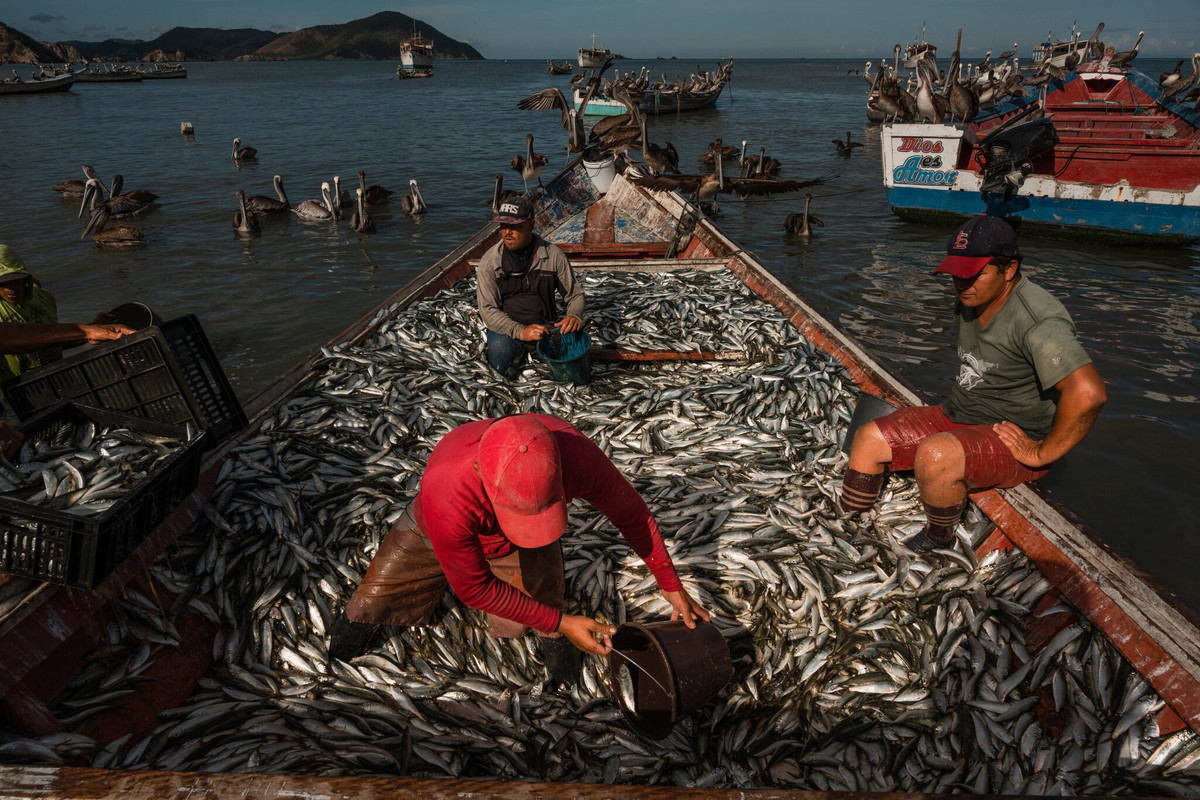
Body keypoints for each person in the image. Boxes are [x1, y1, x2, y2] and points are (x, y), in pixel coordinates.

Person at [331, 413, 710, 682]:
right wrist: (564, 622)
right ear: (480, 473)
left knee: (535, 608)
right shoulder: (447, 493)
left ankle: (560, 679)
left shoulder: (577, 454)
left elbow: (633, 515)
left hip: (505, 534)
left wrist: (669, 583)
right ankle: (340, 655)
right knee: (374, 600)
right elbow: (474, 588)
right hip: (435, 525)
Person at [839, 214, 1107, 553]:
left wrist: (1041, 451)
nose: (962, 284)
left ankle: (940, 538)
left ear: (1009, 269)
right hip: (960, 413)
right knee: (868, 438)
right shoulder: (974, 297)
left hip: (1009, 435)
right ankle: (847, 528)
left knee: (935, 455)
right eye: (956, 274)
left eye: (973, 274)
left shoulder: (1037, 319)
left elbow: (1088, 393)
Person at [476, 196, 584, 379]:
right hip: (506, 330)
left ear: (531, 226)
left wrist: (574, 315)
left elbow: (575, 295)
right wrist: (521, 332)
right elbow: (488, 310)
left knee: (572, 370)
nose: (507, 232)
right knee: (500, 357)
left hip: (546, 328)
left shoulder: (553, 256)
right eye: (503, 226)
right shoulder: (490, 262)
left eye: (515, 226)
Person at [0, 244, 132, 383]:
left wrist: (93, 328)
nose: (10, 289)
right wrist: (86, 332)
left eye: (15, 280)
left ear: (26, 277)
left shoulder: (44, 298)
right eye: (2, 283)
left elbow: (51, 339)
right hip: (18, 386)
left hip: (58, 377)